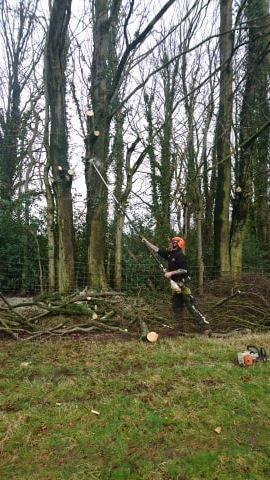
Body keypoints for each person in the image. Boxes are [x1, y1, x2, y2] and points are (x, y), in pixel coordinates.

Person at [142, 235, 210, 334]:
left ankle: (206, 327)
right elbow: (157, 250)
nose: (169, 244)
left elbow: (184, 270)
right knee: (176, 305)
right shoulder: (170, 255)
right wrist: (146, 242)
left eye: (172, 242)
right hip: (176, 285)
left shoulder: (180, 256)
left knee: (191, 305)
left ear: (176, 244)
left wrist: (170, 273)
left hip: (184, 284)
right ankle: (180, 328)